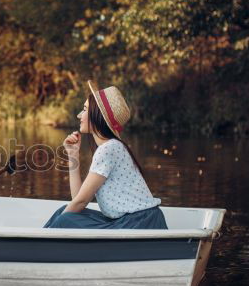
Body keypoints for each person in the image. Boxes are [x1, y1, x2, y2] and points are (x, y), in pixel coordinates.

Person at [44, 80, 167, 229]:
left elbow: (81, 202)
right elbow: (78, 200)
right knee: (63, 213)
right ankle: (40, 244)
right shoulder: (110, 147)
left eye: (84, 109)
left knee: (64, 220)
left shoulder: (108, 149)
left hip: (140, 223)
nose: (79, 115)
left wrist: (54, 229)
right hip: (132, 221)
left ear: (97, 115)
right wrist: (73, 156)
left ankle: (39, 245)